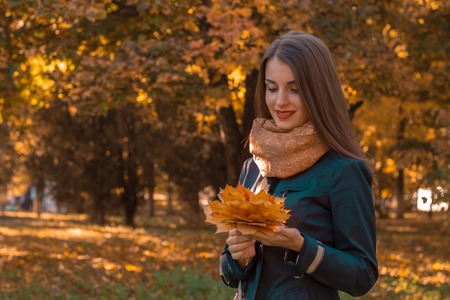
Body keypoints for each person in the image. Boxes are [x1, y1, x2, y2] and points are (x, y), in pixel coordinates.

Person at [219, 31, 378, 299]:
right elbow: (229, 273)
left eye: (295, 89)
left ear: (318, 92)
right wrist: (238, 258)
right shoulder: (253, 166)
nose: (280, 101)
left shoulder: (344, 170)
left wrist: (302, 247)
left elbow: (362, 275)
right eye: (272, 88)